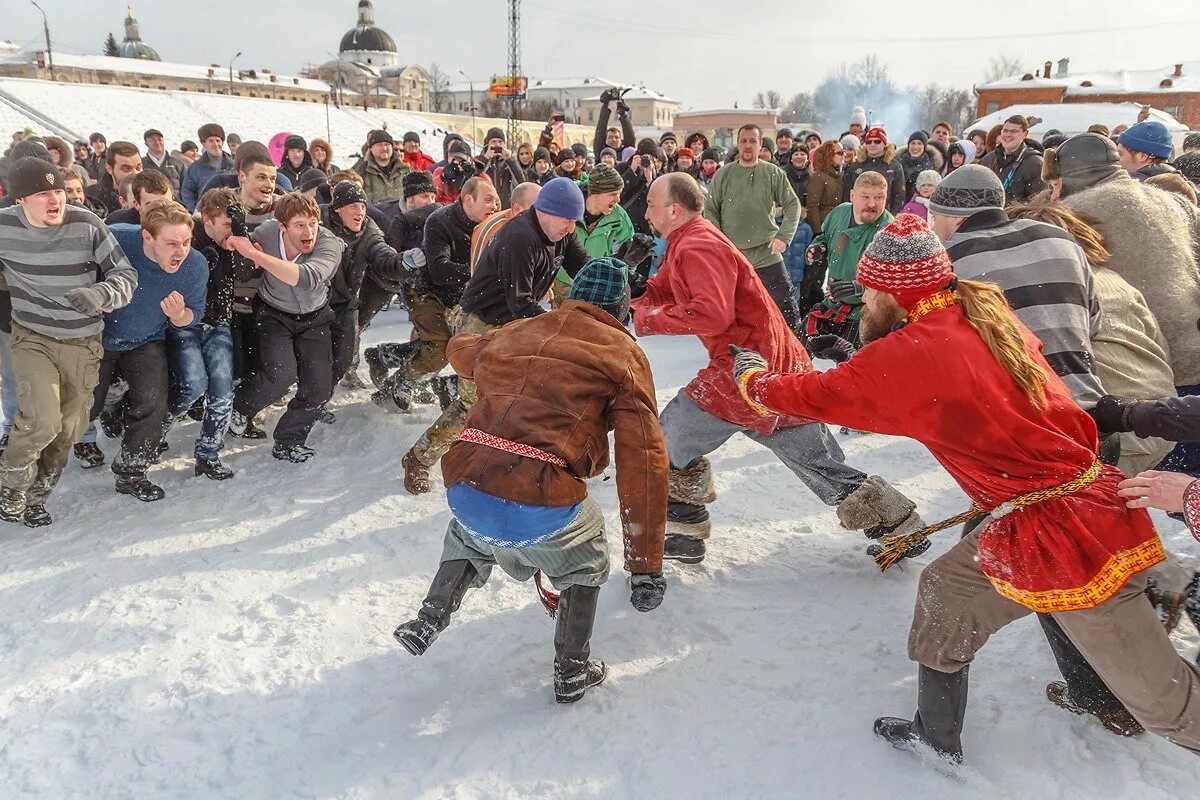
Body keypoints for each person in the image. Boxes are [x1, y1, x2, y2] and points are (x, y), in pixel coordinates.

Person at [730, 213, 1200, 764]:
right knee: (946, 594)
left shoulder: (910, 354)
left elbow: (812, 396)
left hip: (1065, 533)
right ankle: (936, 734)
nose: (863, 302)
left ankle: (1158, 607)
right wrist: (862, 364)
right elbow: (930, 379)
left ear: (892, 292)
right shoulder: (977, 310)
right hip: (1044, 511)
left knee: (1168, 707)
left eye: (868, 290)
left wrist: (751, 375)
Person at [393, 257, 668, 704]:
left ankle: (430, 616)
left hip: (468, 483)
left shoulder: (520, 329)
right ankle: (572, 669)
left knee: (469, 531)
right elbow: (645, 460)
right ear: (622, 312)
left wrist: (486, 344)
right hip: (542, 499)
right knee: (586, 553)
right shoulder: (623, 355)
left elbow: (461, 351)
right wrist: (645, 566)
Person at [633, 174, 923, 565]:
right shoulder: (687, 241)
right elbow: (665, 291)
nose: (646, 212)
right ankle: (899, 524)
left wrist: (648, 320)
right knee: (816, 461)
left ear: (673, 209)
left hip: (745, 367)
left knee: (667, 439)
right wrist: (634, 288)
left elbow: (711, 313)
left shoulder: (698, 246)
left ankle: (685, 532)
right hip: (775, 365)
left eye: (651, 204)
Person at [400, 178, 589, 494]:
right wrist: (562, 333)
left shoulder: (562, 233)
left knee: (525, 396)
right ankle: (419, 457)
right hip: (481, 325)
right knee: (473, 406)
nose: (571, 228)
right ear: (544, 211)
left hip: (515, 323)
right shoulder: (520, 238)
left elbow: (583, 267)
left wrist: (617, 274)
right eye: (567, 220)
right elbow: (522, 303)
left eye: (574, 221)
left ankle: (512, 459)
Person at [0, 159, 138, 525]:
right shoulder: (3, 227)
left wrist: (101, 294)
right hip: (33, 337)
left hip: (82, 340)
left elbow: (126, 274)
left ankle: (38, 495)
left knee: (68, 431)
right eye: (43, 194)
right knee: (42, 421)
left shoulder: (86, 224)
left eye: (58, 191)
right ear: (20, 201)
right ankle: (12, 483)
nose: (54, 200)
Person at [1053, 133, 1200, 474]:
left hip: (1144, 369)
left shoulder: (1073, 213)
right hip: (1194, 354)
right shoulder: (1175, 201)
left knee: (1151, 485)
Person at [92, 202, 207, 501]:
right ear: (147, 237)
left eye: (185, 242)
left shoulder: (195, 265)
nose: (180, 251)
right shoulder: (115, 239)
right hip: (97, 337)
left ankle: (132, 471)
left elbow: (194, 313)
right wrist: (94, 294)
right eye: (171, 243)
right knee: (86, 405)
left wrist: (179, 315)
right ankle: (107, 406)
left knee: (154, 399)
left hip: (145, 338)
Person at [227, 193, 346, 462]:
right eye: (300, 225)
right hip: (274, 314)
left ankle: (288, 440)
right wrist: (241, 239)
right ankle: (240, 408)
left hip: (314, 317)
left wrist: (256, 254)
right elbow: (244, 263)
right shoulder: (267, 232)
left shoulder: (329, 244)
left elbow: (307, 278)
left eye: (313, 223)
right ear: (282, 226)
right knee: (280, 375)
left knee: (319, 388)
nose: (309, 231)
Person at [367, 177, 498, 410]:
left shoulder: (490, 225)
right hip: (423, 289)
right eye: (488, 200)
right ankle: (401, 383)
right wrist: (481, 273)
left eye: (496, 201)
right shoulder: (441, 221)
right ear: (469, 199)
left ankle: (386, 355)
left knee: (470, 338)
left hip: (459, 293)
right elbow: (440, 270)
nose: (494, 207)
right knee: (440, 344)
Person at [165, 187, 253, 480]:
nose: (232, 231)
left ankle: (208, 454)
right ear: (207, 219)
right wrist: (202, 260)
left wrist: (239, 234)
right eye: (227, 224)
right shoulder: (189, 240)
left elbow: (244, 272)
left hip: (219, 324)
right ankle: (153, 431)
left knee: (221, 388)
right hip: (185, 323)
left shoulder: (236, 243)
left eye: (236, 224)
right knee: (191, 384)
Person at [703, 124, 802, 331]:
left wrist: (783, 237)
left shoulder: (773, 173)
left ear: (761, 145)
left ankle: (798, 353)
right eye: (744, 141)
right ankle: (737, 355)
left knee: (786, 307)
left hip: (766, 252)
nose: (748, 146)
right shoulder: (724, 174)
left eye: (753, 141)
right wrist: (721, 244)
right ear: (738, 145)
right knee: (732, 312)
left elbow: (793, 205)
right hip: (733, 256)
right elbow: (710, 210)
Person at [320, 181, 406, 397]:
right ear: (338, 208)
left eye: (363, 206)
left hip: (345, 297)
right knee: (314, 350)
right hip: (314, 297)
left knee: (345, 350)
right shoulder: (319, 222)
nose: (360, 212)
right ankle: (315, 393)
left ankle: (341, 375)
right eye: (353, 206)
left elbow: (382, 253)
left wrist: (402, 262)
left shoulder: (369, 230)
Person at [801, 172, 892, 349]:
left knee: (854, 368)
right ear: (852, 196)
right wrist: (819, 248)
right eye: (865, 197)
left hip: (865, 315)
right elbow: (825, 237)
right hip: (832, 305)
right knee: (799, 348)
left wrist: (860, 287)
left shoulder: (888, 230)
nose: (872, 204)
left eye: (879, 197)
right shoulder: (839, 212)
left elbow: (892, 280)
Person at [550, 164, 634, 304]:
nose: (618, 199)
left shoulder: (619, 219)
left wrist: (630, 259)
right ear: (595, 193)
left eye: (619, 193)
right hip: (561, 282)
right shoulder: (567, 205)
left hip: (594, 285)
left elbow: (625, 253)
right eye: (613, 194)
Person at [977, 115, 1044, 204]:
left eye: (1014, 131)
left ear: (1025, 134)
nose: (1008, 135)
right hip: (988, 215)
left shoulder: (1035, 164)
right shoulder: (987, 160)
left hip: (1017, 216)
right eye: (1005, 130)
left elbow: (1038, 203)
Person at [841, 127, 906, 213]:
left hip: (884, 216)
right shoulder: (855, 166)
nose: (872, 144)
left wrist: (893, 216)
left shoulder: (894, 167)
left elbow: (899, 195)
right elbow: (847, 194)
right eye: (869, 142)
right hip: (859, 215)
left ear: (885, 144)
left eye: (877, 141)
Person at [181, 124, 233, 212]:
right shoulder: (195, 168)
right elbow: (187, 193)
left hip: (232, 215)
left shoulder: (234, 165)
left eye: (218, 140)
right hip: (208, 216)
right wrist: (197, 211)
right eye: (211, 141)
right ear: (204, 143)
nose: (216, 144)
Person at [85, 141, 143, 218]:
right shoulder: (91, 197)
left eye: (138, 168)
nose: (134, 173)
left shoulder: (153, 194)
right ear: (109, 169)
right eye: (126, 169)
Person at [354, 130, 412, 204]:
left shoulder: (405, 171)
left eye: (387, 144)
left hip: (400, 214)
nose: (384, 148)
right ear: (370, 148)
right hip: (372, 215)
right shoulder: (361, 172)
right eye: (379, 145)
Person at [477, 128, 526, 209]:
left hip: (505, 208)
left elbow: (521, 181)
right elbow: (474, 178)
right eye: (494, 141)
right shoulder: (480, 160)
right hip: (485, 208)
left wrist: (510, 160)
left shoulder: (509, 162)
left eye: (500, 142)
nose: (497, 145)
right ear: (487, 144)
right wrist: (486, 158)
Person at [103, 170, 172, 226]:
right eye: (151, 205)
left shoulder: (181, 221)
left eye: (166, 204)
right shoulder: (117, 222)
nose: (160, 211)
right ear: (137, 204)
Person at [805, 140, 844, 238]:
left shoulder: (838, 176)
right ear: (829, 155)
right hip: (824, 226)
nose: (843, 155)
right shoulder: (818, 177)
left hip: (837, 225)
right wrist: (818, 232)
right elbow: (812, 206)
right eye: (840, 153)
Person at [142, 128, 186, 198]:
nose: (157, 142)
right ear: (146, 143)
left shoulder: (178, 163)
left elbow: (187, 188)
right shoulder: (141, 165)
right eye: (152, 140)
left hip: (176, 206)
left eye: (160, 139)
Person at [896, 131, 936, 200]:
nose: (915, 147)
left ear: (924, 146)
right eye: (913, 143)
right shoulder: (898, 164)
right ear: (908, 145)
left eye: (919, 143)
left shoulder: (932, 165)